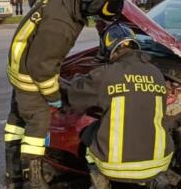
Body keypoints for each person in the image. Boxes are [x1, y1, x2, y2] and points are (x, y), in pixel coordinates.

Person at [4, 0, 124, 189]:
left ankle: (12, 176)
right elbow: (40, 67)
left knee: (16, 121)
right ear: (91, 7)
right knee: (38, 123)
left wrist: (44, 13)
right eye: (96, 17)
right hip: (29, 75)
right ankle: (33, 182)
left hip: (18, 62)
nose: (95, 21)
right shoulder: (61, 26)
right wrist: (54, 97)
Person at [66, 23, 173, 189]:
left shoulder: (108, 73)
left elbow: (76, 95)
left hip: (116, 167)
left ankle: (101, 182)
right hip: (159, 163)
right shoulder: (156, 73)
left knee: (87, 133)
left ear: (109, 50)